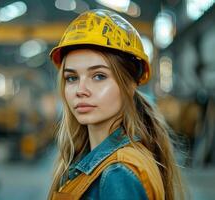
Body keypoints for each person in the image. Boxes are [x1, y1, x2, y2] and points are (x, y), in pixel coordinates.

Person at [48, 9, 184, 200]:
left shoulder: (118, 174)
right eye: (71, 78)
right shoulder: (102, 161)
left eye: (99, 76)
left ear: (129, 85)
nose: (81, 89)